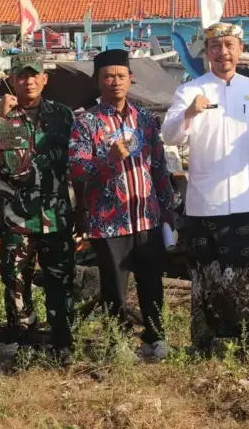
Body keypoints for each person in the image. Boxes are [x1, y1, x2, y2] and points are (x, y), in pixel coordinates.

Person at [161, 23, 249, 356]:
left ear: (240, 49)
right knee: (207, 274)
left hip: (246, 197)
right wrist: (189, 112)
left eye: (228, 45)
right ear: (206, 52)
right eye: (215, 46)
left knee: (246, 274)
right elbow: (170, 135)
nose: (222, 52)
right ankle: (207, 343)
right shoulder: (192, 90)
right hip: (205, 201)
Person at [0, 53, 76, 365]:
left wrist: (81, 209)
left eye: (34, 75)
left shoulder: (63, 116)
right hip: (16, 216)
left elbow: (78, 163)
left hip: (56, 215)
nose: (28, 81)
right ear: (11, 81)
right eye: (21, 76)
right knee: (15, 279)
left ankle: (61, 339)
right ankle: (22, 338)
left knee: (59, 279)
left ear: (44, 80)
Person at [68, 49, 177, 360]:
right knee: (114, 288)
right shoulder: (86, 123)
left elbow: (158, 167)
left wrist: (168, 210)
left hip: (147, 218)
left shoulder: (145, 119)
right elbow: (77, 171)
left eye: (120, 75)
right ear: (98, 81)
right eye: (107, 76)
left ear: (131, 79)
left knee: (152, 285)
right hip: (108, 220)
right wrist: (108, 159)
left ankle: (156, 338)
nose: (114, 81)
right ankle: (117, 343)